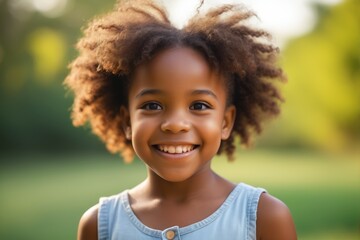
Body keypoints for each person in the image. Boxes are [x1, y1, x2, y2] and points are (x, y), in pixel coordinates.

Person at [64, 0, 297, 239]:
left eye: (199, 105)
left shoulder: (264, 218)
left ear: (225, 122)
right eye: (152, 105)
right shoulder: (100, 225)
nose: (175, 124)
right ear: (128, 121)